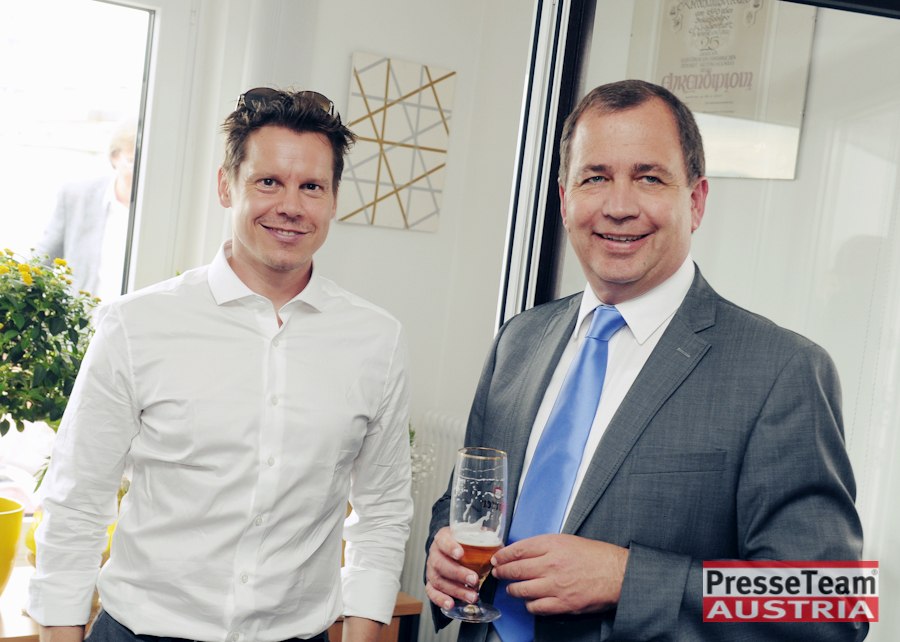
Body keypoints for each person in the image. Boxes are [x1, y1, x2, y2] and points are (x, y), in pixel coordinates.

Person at [425, 79, 866, 641]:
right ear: (564, 199)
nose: (618, 206)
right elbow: (463, 505)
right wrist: (442, 552)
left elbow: (825, 602)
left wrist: (627, 578)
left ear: (696, 201)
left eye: (649, 178)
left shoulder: (782, 371)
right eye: (595, 178)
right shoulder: (520, 340)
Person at [27, 88, 413, 642]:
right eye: (268, 182)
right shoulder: (135, 325)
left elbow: (384, 514)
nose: (291, 206)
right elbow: (76, 504)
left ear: (333, 200)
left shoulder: (376, 340)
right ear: (226, 185)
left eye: (311, 186)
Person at [34, 120, 137, 302]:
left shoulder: (160, 211)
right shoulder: (77, 197)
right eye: (131, 161)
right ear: (115, 157)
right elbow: (43, 258)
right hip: (84, 315)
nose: (139, 171)